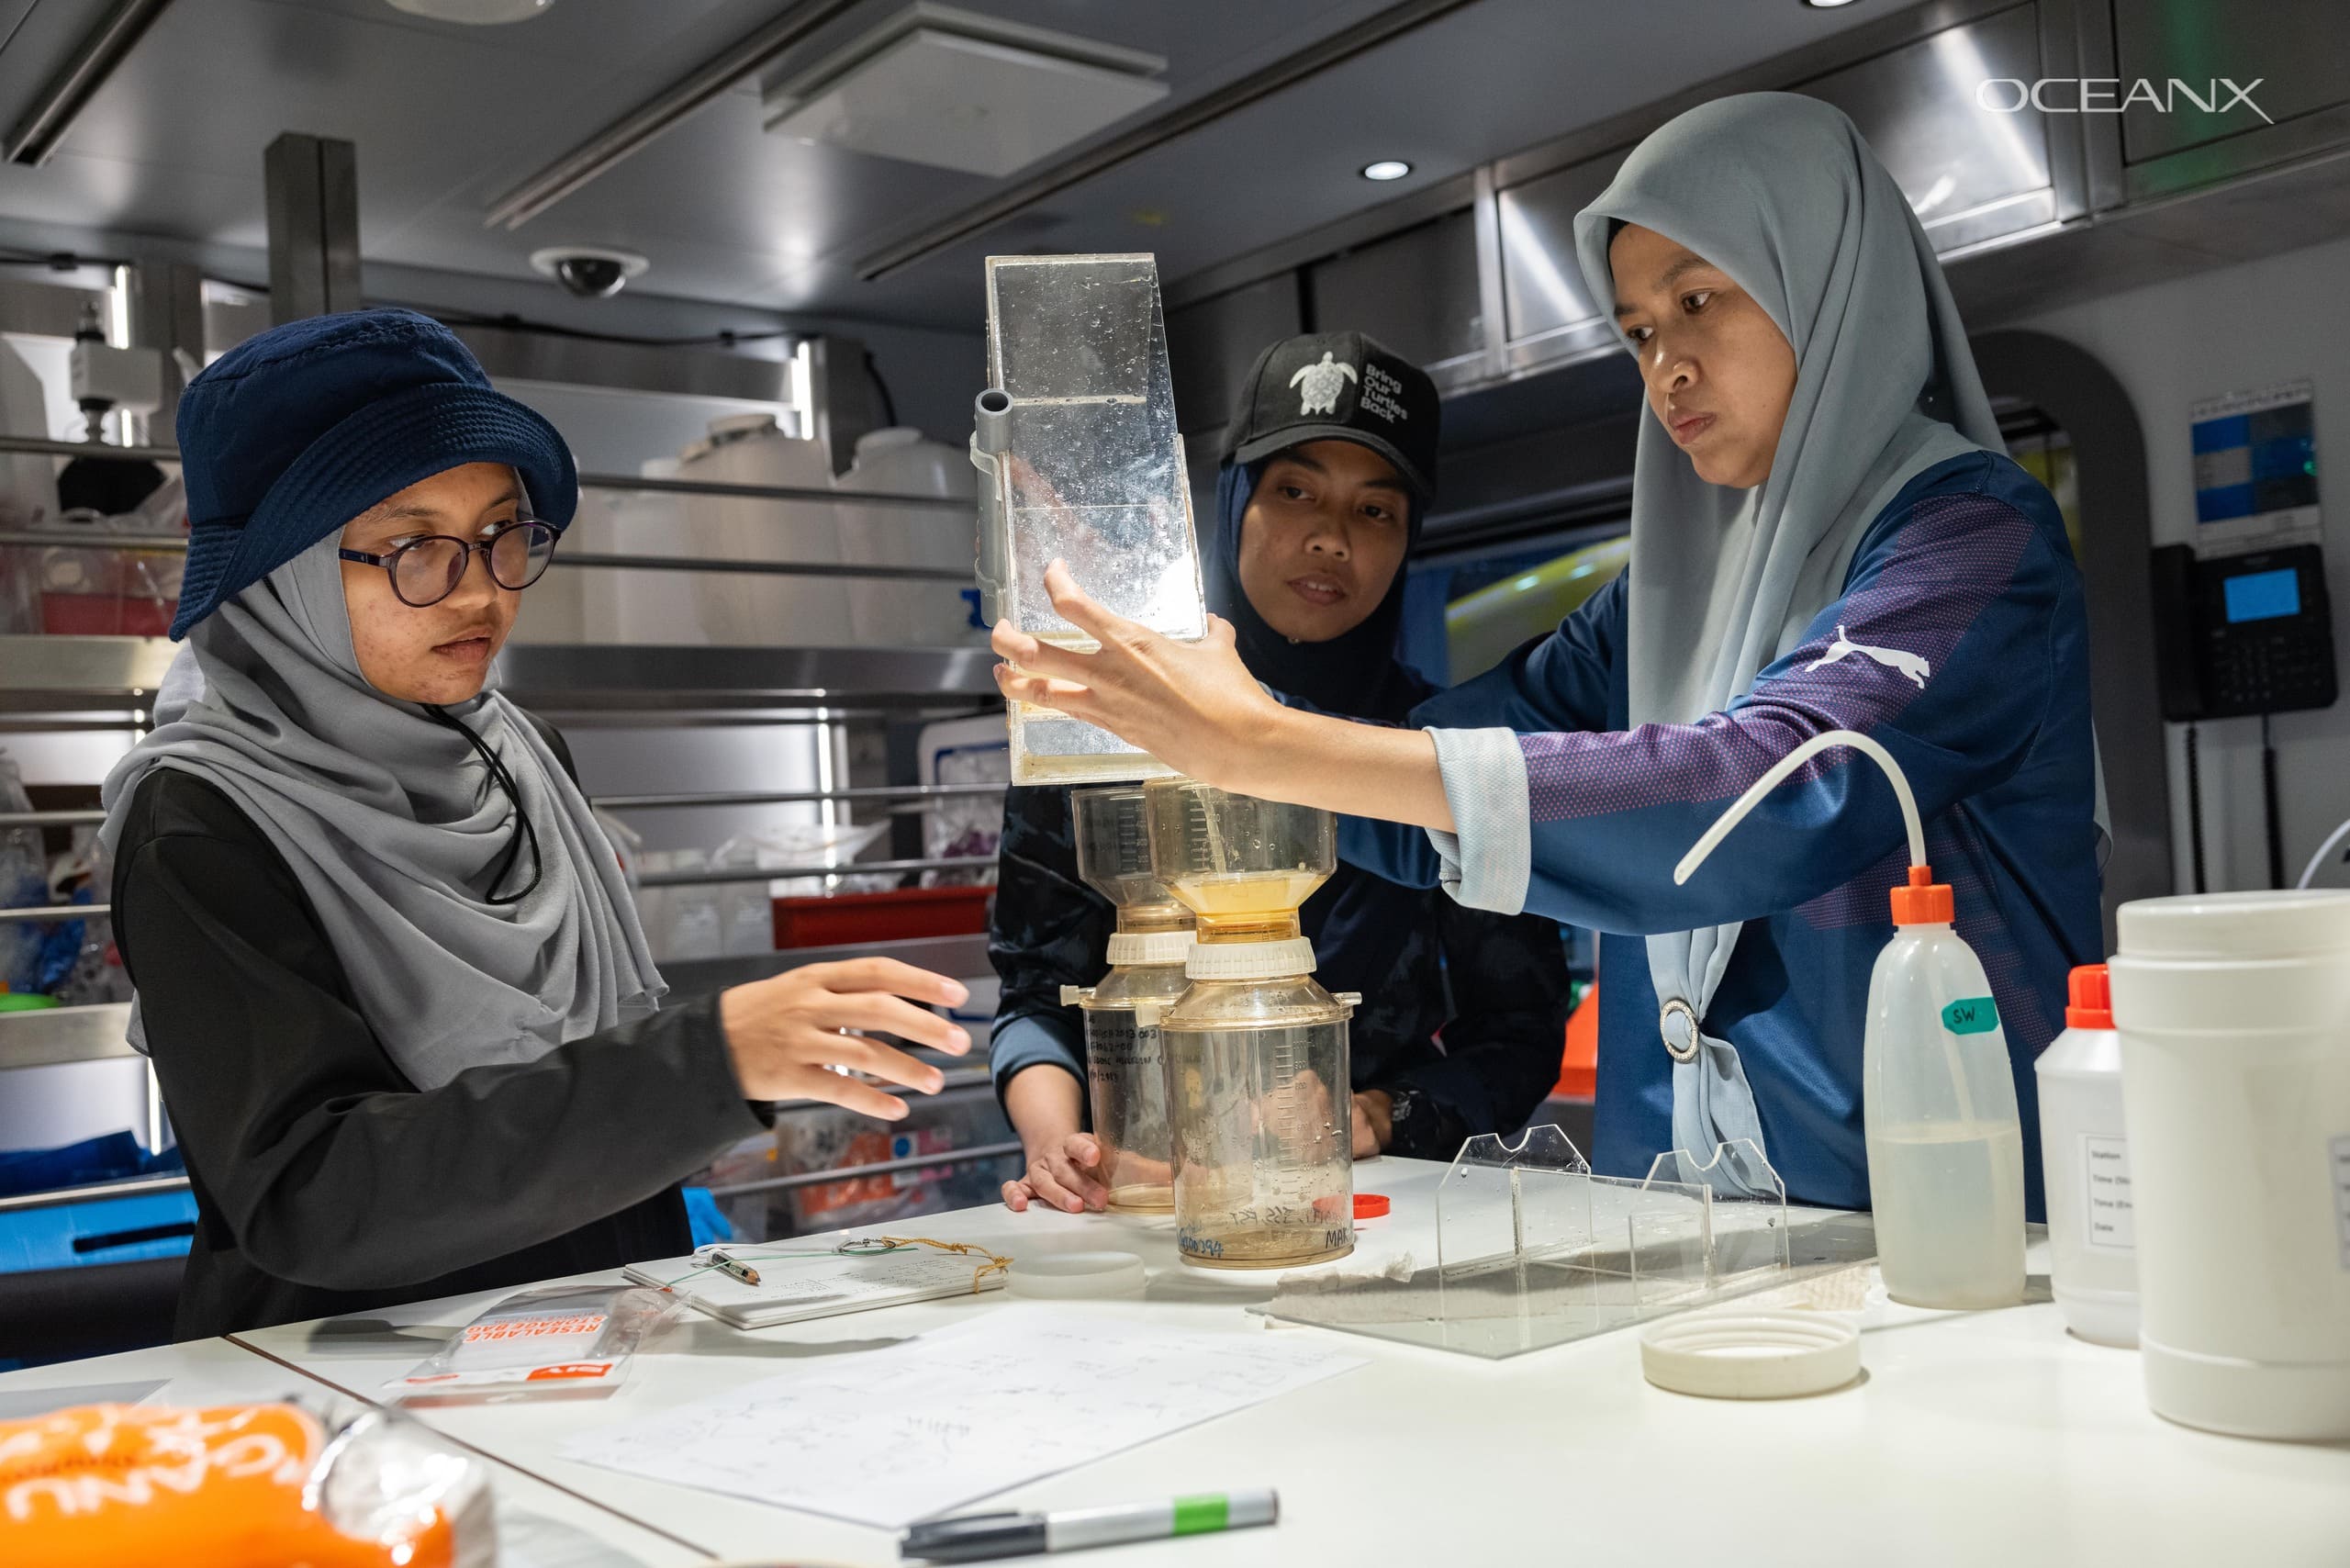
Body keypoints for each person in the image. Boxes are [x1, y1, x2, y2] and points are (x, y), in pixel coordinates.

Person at [988, 95, 2103, 1214]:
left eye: (1697, 300)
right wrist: (1165, 674)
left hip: (1934, 1213)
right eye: (1639, 331)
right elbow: (1449, 747)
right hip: (1677, 1203)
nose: (1665, 364)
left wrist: (1257, 738)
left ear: (1823, 276)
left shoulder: (1968, 538)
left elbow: (1762, 792)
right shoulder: (1666, 602)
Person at [102, 309, 971, 1337]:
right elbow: (311, 1193)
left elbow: (572, 1068)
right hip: (350, 1376)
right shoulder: (202, 819)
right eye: (415, 546)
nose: (478, 592)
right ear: (278, 573)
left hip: (601, 1334)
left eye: (499, 533)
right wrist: (706, 1064)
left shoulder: (520, 753)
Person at [989, 332, 1576, 1215]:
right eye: (1295, 491)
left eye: (1375, 511)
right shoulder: (1104, 728)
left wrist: (1376, 1114)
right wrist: (1055, 1141)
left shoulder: (1439, 752)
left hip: (1369, 1208)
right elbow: (1033, 990)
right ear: (1234, 505)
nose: (1332, 539)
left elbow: (1521, 1031)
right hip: (1138, 1206)